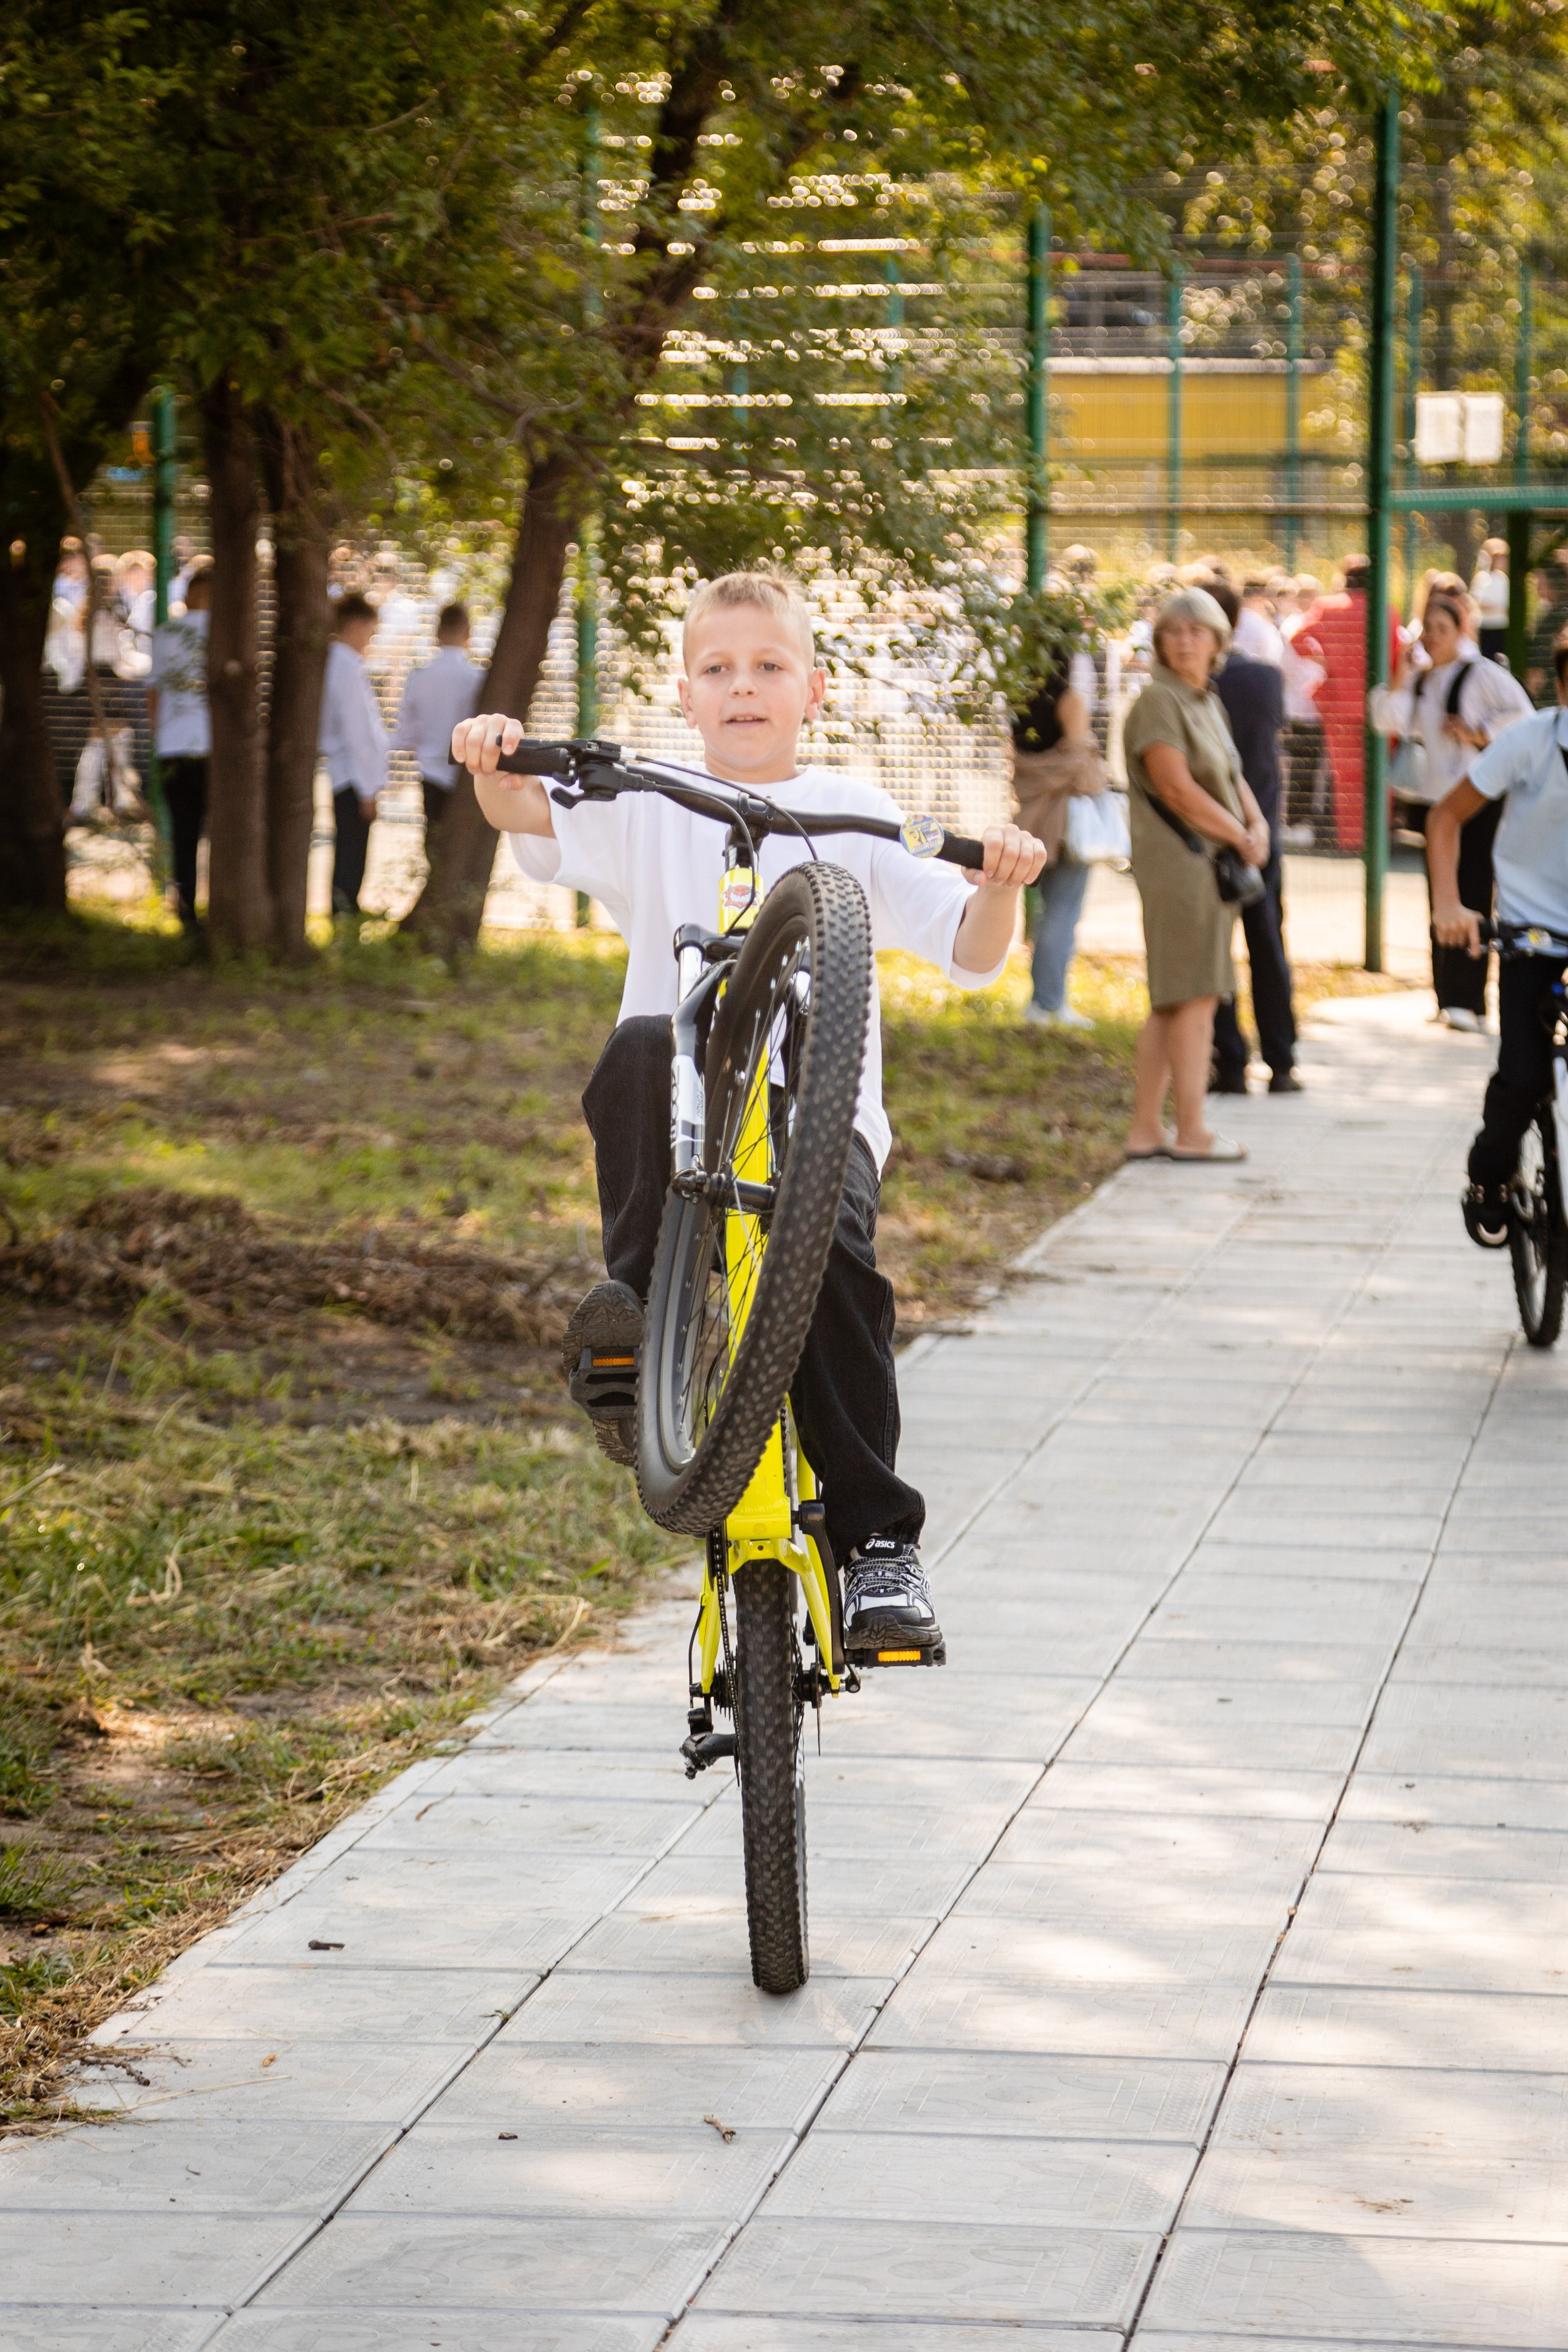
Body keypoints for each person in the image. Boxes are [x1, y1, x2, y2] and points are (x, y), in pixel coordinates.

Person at [454, 568, 1044, 1667]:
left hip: (820, 1123)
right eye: (718, 669)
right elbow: (528, 813)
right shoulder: (649, 796)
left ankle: (878, 1551)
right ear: (684, 694)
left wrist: (1002, 881)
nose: (743, 687)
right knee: (638, 1045)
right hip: (681, 1111)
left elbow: (970, 948)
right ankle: (632, 1318)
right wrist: (496, 753)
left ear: (813, 689)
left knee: (833, 1267)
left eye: (769, 666)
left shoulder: (858, 820)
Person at [1122, 587, 1270, 1163]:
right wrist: (1240, 835)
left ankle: (1144, 1131)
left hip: (1209, 863)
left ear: (1217, 641)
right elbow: (1176, 788)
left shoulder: (1204, 700)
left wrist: (1256, 825)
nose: (1185, 641)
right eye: (1174, 631)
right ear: (1161, 640)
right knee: (1196, 997)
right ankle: (1191, 1132)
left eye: (1197, 631)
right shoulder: (1160, 701)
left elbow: (1232, 778)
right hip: (1180, 865)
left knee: (1172, 999)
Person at [1431, 640, 1568, 1246]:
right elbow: (1444, 818)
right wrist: (1446, 904)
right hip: (1530, 935)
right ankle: (1490, 1178)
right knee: (1522, 1074)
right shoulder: (1528, 743)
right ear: (1562, 692)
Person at [1371, 587, 1531, 1031]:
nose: (1434, 637)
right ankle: (1446, 996)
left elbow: (1523, 715)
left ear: (1460, 630)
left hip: (1476, 804)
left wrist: (1479, 732)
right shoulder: (1422, 678)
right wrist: (1402, 674)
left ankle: (1472, 1001)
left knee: (1474, 892)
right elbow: (1387, 718)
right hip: (1433, 802)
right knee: (1439, 896)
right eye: (1429, 628)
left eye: (1444, 629)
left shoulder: (1480, 674)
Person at [1205, 580, 1300, 1095]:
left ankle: (1230, 1063)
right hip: (1261, 831)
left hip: (1208, 836)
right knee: (1267, 943)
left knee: (1217, 950)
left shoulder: (1196, 689)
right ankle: (1282, 1060)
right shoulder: (1265, 679)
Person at [1009, 652, 1108, 1031]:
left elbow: (1027, 764)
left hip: (1034, 820)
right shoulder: (1071, 700)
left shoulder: (1018, 700)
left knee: (1051, 911)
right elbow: (1083, 769)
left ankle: (1045, 999)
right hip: (1069, 826)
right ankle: (1049, 1002)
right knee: (1062, 914)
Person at [1293, 556, 1400, 851]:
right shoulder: (1387, 612)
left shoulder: (1329, 607)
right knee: (1380, 775)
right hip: (1377, 705)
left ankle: (1352, 840)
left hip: (1339, 705)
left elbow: (1296, 639)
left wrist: (1326, 661)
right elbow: (1397, 656)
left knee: (1347, 780)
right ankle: (1379, 839)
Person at [147, 561, 213, 933]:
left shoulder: (166, 632)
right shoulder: (227, 631)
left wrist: (160, 738)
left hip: (173, 747)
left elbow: (152, 696)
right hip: (213, 748)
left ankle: (187, 911)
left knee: (184, 833)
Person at [317, 591, 387, 917]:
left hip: (347, 773)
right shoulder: (345, 664)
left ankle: (344, 909)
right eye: (371, 632)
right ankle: (344, 912)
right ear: (357, 625)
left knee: (349, 848)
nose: (370, 640)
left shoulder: (336, 661)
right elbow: (358, 733)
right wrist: (369, 789)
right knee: (351, 850)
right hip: (352, 776)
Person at [391, 603, 481, 838]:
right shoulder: (477, 678)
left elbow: (404, 735)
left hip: (431, 773)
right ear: (469, 633)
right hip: (469, 774)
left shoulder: (419, 676)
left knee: (434, 843)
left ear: (437, 633)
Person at [1525, 552, 1568, 707]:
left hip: (1548, 702)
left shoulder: (1552, 619)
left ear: (1552, 582)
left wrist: (1527, 701)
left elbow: (1536, 672)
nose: (1536, 586)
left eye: (1539, 580)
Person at [1471, 538, 1510, 665]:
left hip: (1502, 628)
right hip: (1486, 629)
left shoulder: (1504, 579)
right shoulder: (1482, 578)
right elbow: (1477, 603)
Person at [1233, 576, 1285, 668]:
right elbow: (1273, 660)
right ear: (1258, 597)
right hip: (1257, 677)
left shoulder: (1228, 620)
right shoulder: (1265, 627)